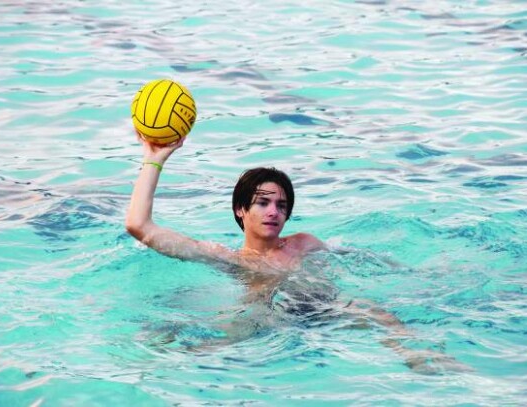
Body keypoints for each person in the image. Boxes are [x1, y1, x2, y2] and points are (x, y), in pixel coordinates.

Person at [126, 136, 469, 374]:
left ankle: (423, 359)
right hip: (269, 321)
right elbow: (140, 226)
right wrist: (154, 159)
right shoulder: (228, 259)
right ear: (240, 210)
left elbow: (363, 259)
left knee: (374, 311)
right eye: (262, 202)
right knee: (221, 338)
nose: (274, 211)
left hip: (324, 309)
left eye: (282, 205)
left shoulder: (304, 243)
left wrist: (418, 274)